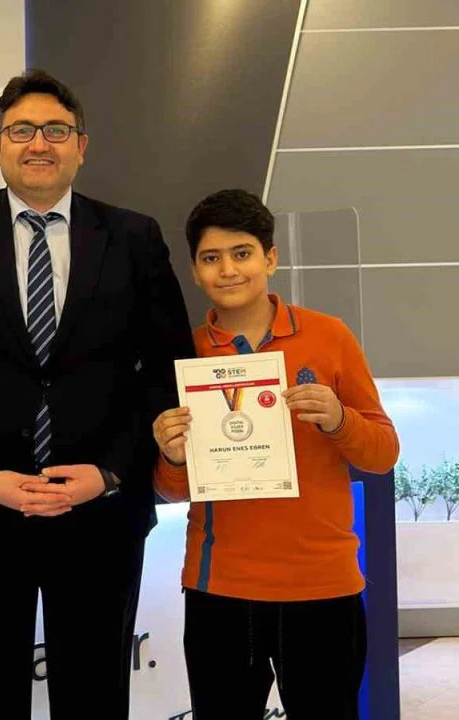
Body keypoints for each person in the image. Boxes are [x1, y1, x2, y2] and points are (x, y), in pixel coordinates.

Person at [0, 68, 194, 718]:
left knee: (94, 694)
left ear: (81, 146)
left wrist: (110, 472)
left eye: (56, 131)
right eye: (22, 130)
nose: (39, 143)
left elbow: (167, 367)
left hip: (99, 511)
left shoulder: (134, 236)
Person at [152, 188, 399, 719]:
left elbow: (382, 455)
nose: (228, 270)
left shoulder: (329, 336)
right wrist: (172, 456)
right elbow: (171, 491)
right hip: (221, 587)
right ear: (194, 271)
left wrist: (338, 418)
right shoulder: (184, 353)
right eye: (211, 258)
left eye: (242, 253)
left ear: (270, 258)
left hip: (322, 584)